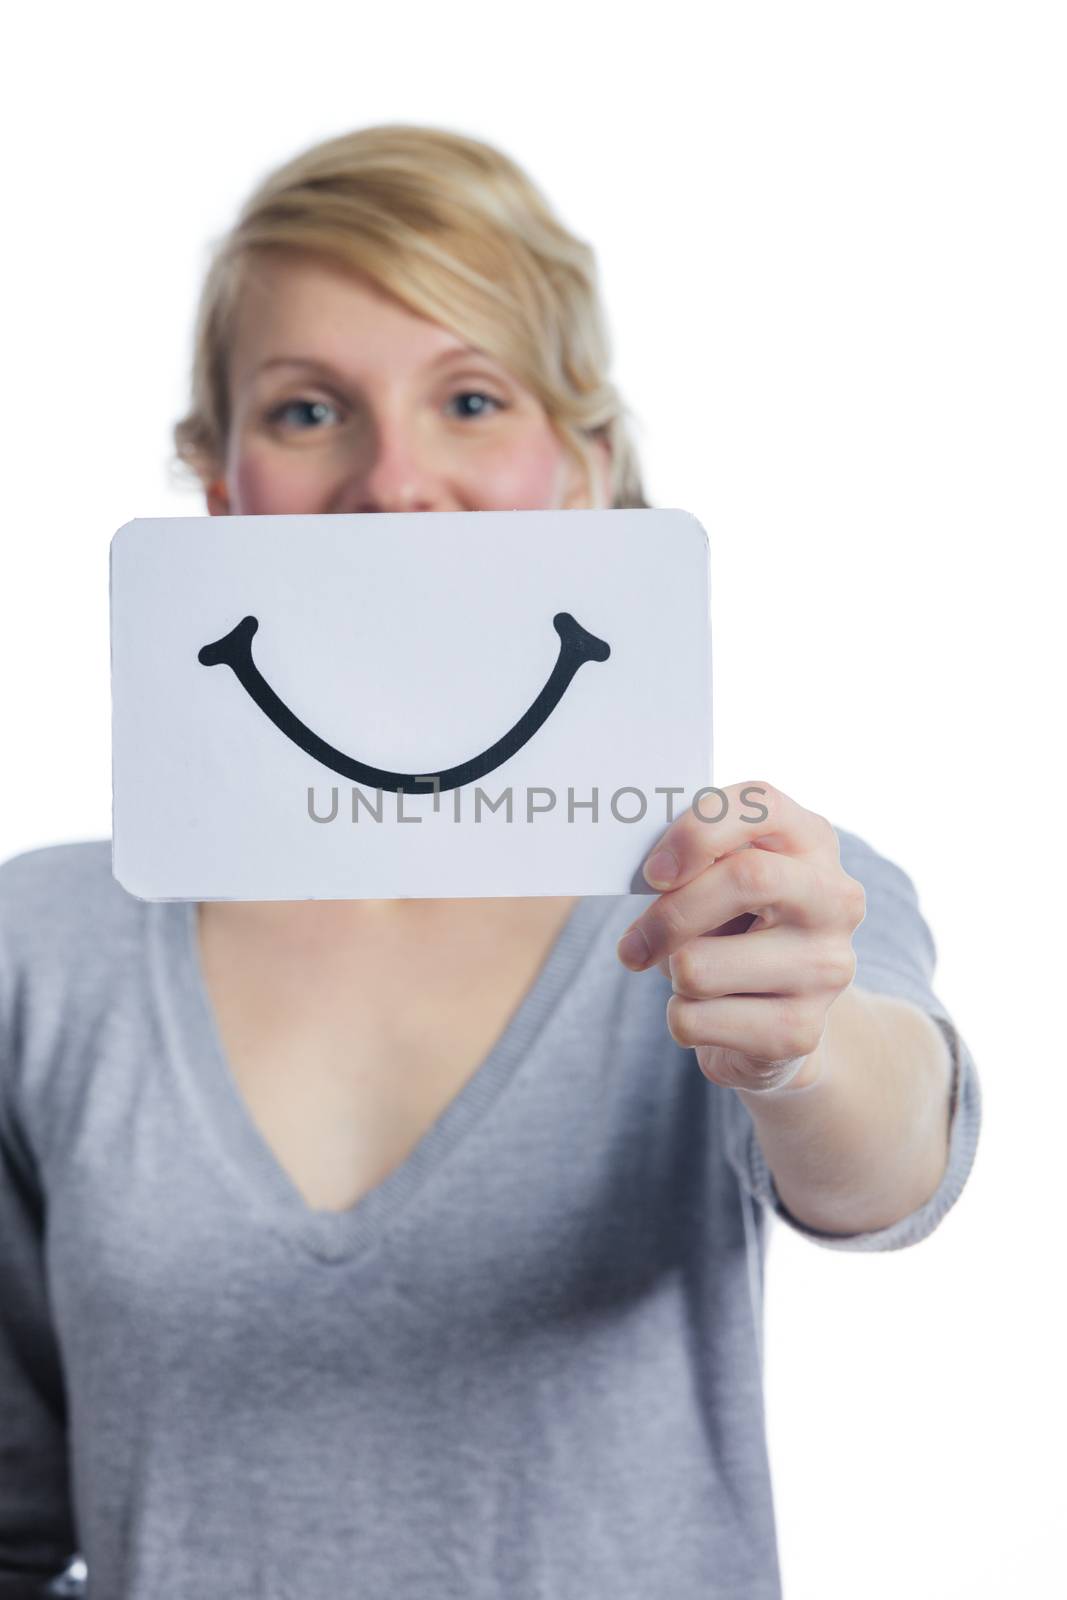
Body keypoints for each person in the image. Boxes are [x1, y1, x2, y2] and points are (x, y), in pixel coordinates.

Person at [0, 123, 982, 1599]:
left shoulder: (739, 887)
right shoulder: (42, 944)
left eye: (470, 396)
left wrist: (803, 1053)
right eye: (309, 410)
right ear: (216, 482)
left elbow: (902, 1156)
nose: (398, 484)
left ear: (586, 465)